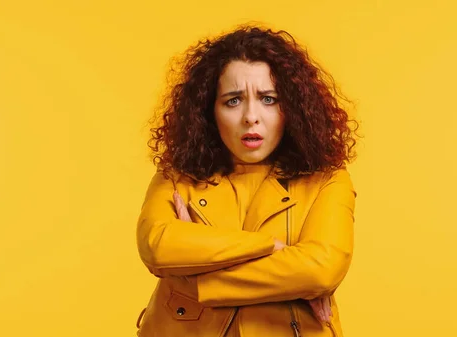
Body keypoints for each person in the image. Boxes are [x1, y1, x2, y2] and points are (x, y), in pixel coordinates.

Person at [135, 25, 359, 337]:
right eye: (233, 100)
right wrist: (274, 249)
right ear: (208, 111)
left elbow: (321, 270)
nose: (250, 116)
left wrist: (195, 273)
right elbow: (157, 246)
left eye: (268, 99)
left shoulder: (328, 180)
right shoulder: (176, 176)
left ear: (291, 108)